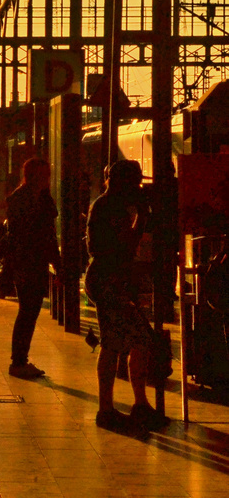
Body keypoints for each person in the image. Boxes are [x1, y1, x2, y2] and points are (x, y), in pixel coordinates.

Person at [85, 158, 161, 430]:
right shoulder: (111, 207)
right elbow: (125, 246)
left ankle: (136, 404)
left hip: (109, 278)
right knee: (115, 342)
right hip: (109, 279)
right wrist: (141, 217)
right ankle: (108, 408)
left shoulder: (107, 204)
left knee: (133, 339)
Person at [5, 157, 61, 379]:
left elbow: (47, 234)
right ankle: (18, 362)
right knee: (27, 312)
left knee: (28, 312)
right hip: (27, 262)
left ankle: (20, 360)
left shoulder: (38, 197)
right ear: (35, 176)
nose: (48, 178)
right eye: (45, 174)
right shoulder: (26, 199)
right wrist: (57, 264)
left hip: (32, 262)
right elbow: (43, 235)